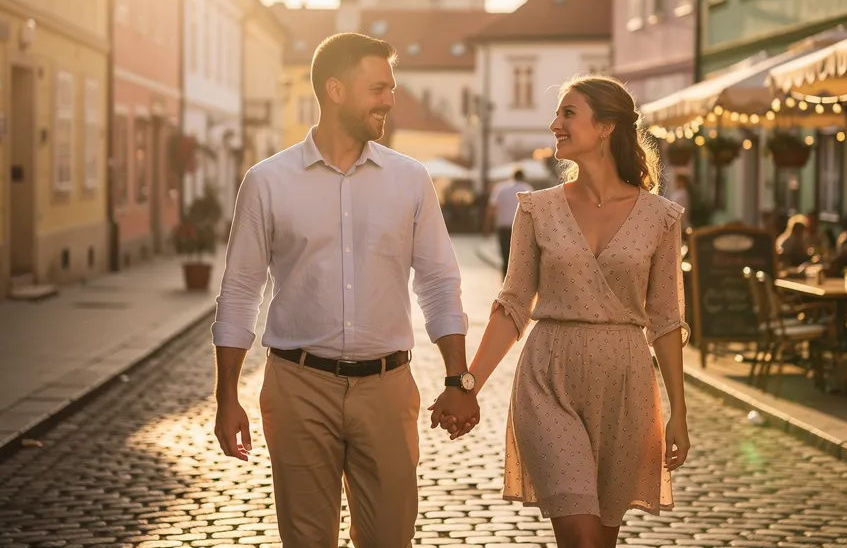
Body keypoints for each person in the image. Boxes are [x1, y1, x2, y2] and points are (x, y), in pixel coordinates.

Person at [211, 32, 477, 547]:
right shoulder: (267, 181)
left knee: (390, 539)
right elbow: (240, 290)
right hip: (298, 386)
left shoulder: (411, 179)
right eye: (378, 87)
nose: (390, 100)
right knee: (307, 540)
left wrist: (457, 378)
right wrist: (226, 395)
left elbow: (440, 281)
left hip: (387, 386)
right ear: (335, 89)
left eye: (392, 88)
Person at [446, 75, 690, 548]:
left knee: (601, 539)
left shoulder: (660, 217)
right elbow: (512, 305)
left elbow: (666, 319)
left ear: (606, 127)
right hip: (548, 378)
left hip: (626, 384)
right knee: (579, 535)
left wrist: (678, 411)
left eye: (568, 113)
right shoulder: (536, 209)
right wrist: (467, 384)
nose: (555, 124)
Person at [485, 168, 533, 277]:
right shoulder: (527, 189)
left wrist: (486, 226)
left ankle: (505, 282)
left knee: (505, 256)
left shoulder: (501, 189)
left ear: (512, 176)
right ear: (523, 177)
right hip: (522, 229)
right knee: (520, 257)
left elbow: (491, 208)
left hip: (503, 228)